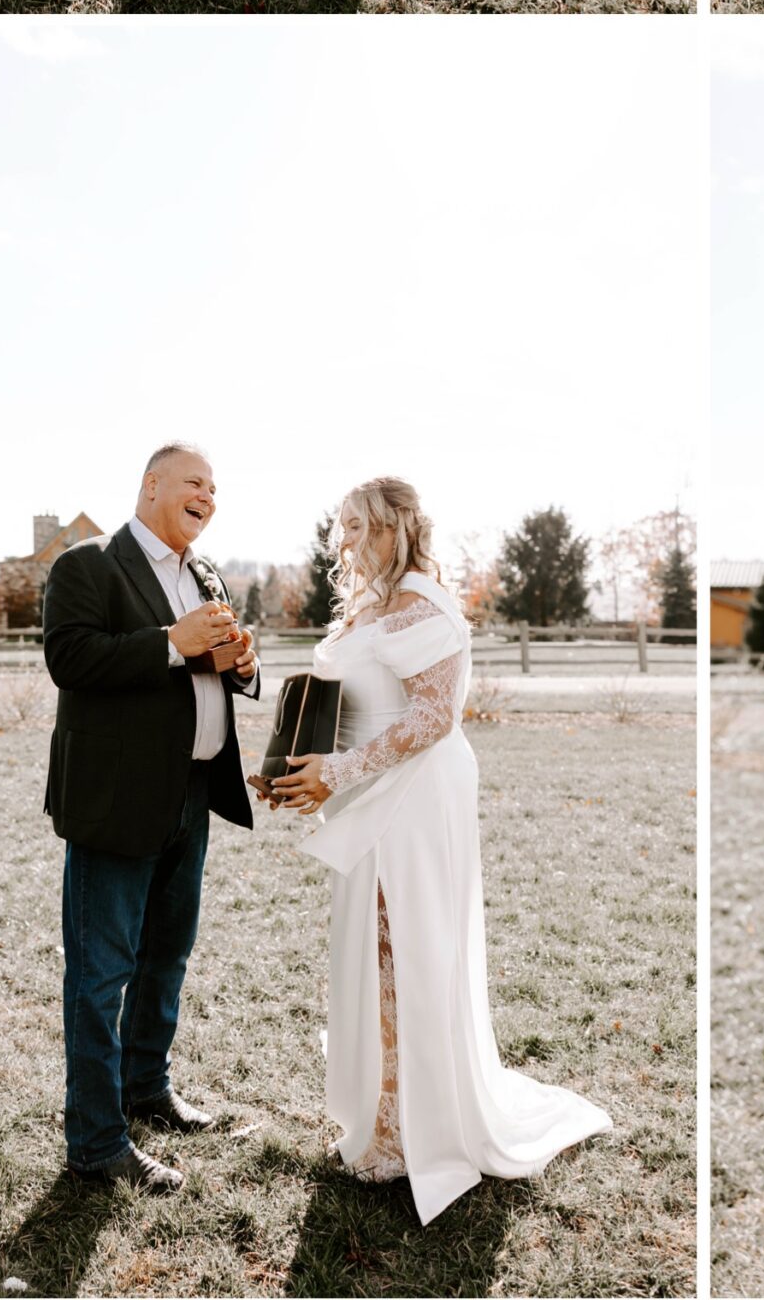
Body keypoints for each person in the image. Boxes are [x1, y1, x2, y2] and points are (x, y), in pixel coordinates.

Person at [265, 477, 610, 1217]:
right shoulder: (369, 607)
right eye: (343, 528)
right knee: (374, 952)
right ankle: (381, 1113)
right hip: (364, 792)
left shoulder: (425, 607)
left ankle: (411, 1128)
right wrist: (296, 768)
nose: (347, 541)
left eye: (361, 527)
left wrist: (341, 772)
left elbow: (430, 719)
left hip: (415, 798)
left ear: (396, 528)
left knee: (406, 950)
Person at [42, 443, 260, 1190]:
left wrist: (240, 663)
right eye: (195, 482)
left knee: (166, 958)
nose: (208, 495)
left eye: (214, 488)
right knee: (102, 977)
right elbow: (71, 660)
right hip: (115, 803)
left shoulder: (205, 575)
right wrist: (172, 642)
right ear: (151, 486)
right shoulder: (87, 565)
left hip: (191, 797)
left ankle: (147, 1090)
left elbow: (204, 671)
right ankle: (97, 1145)